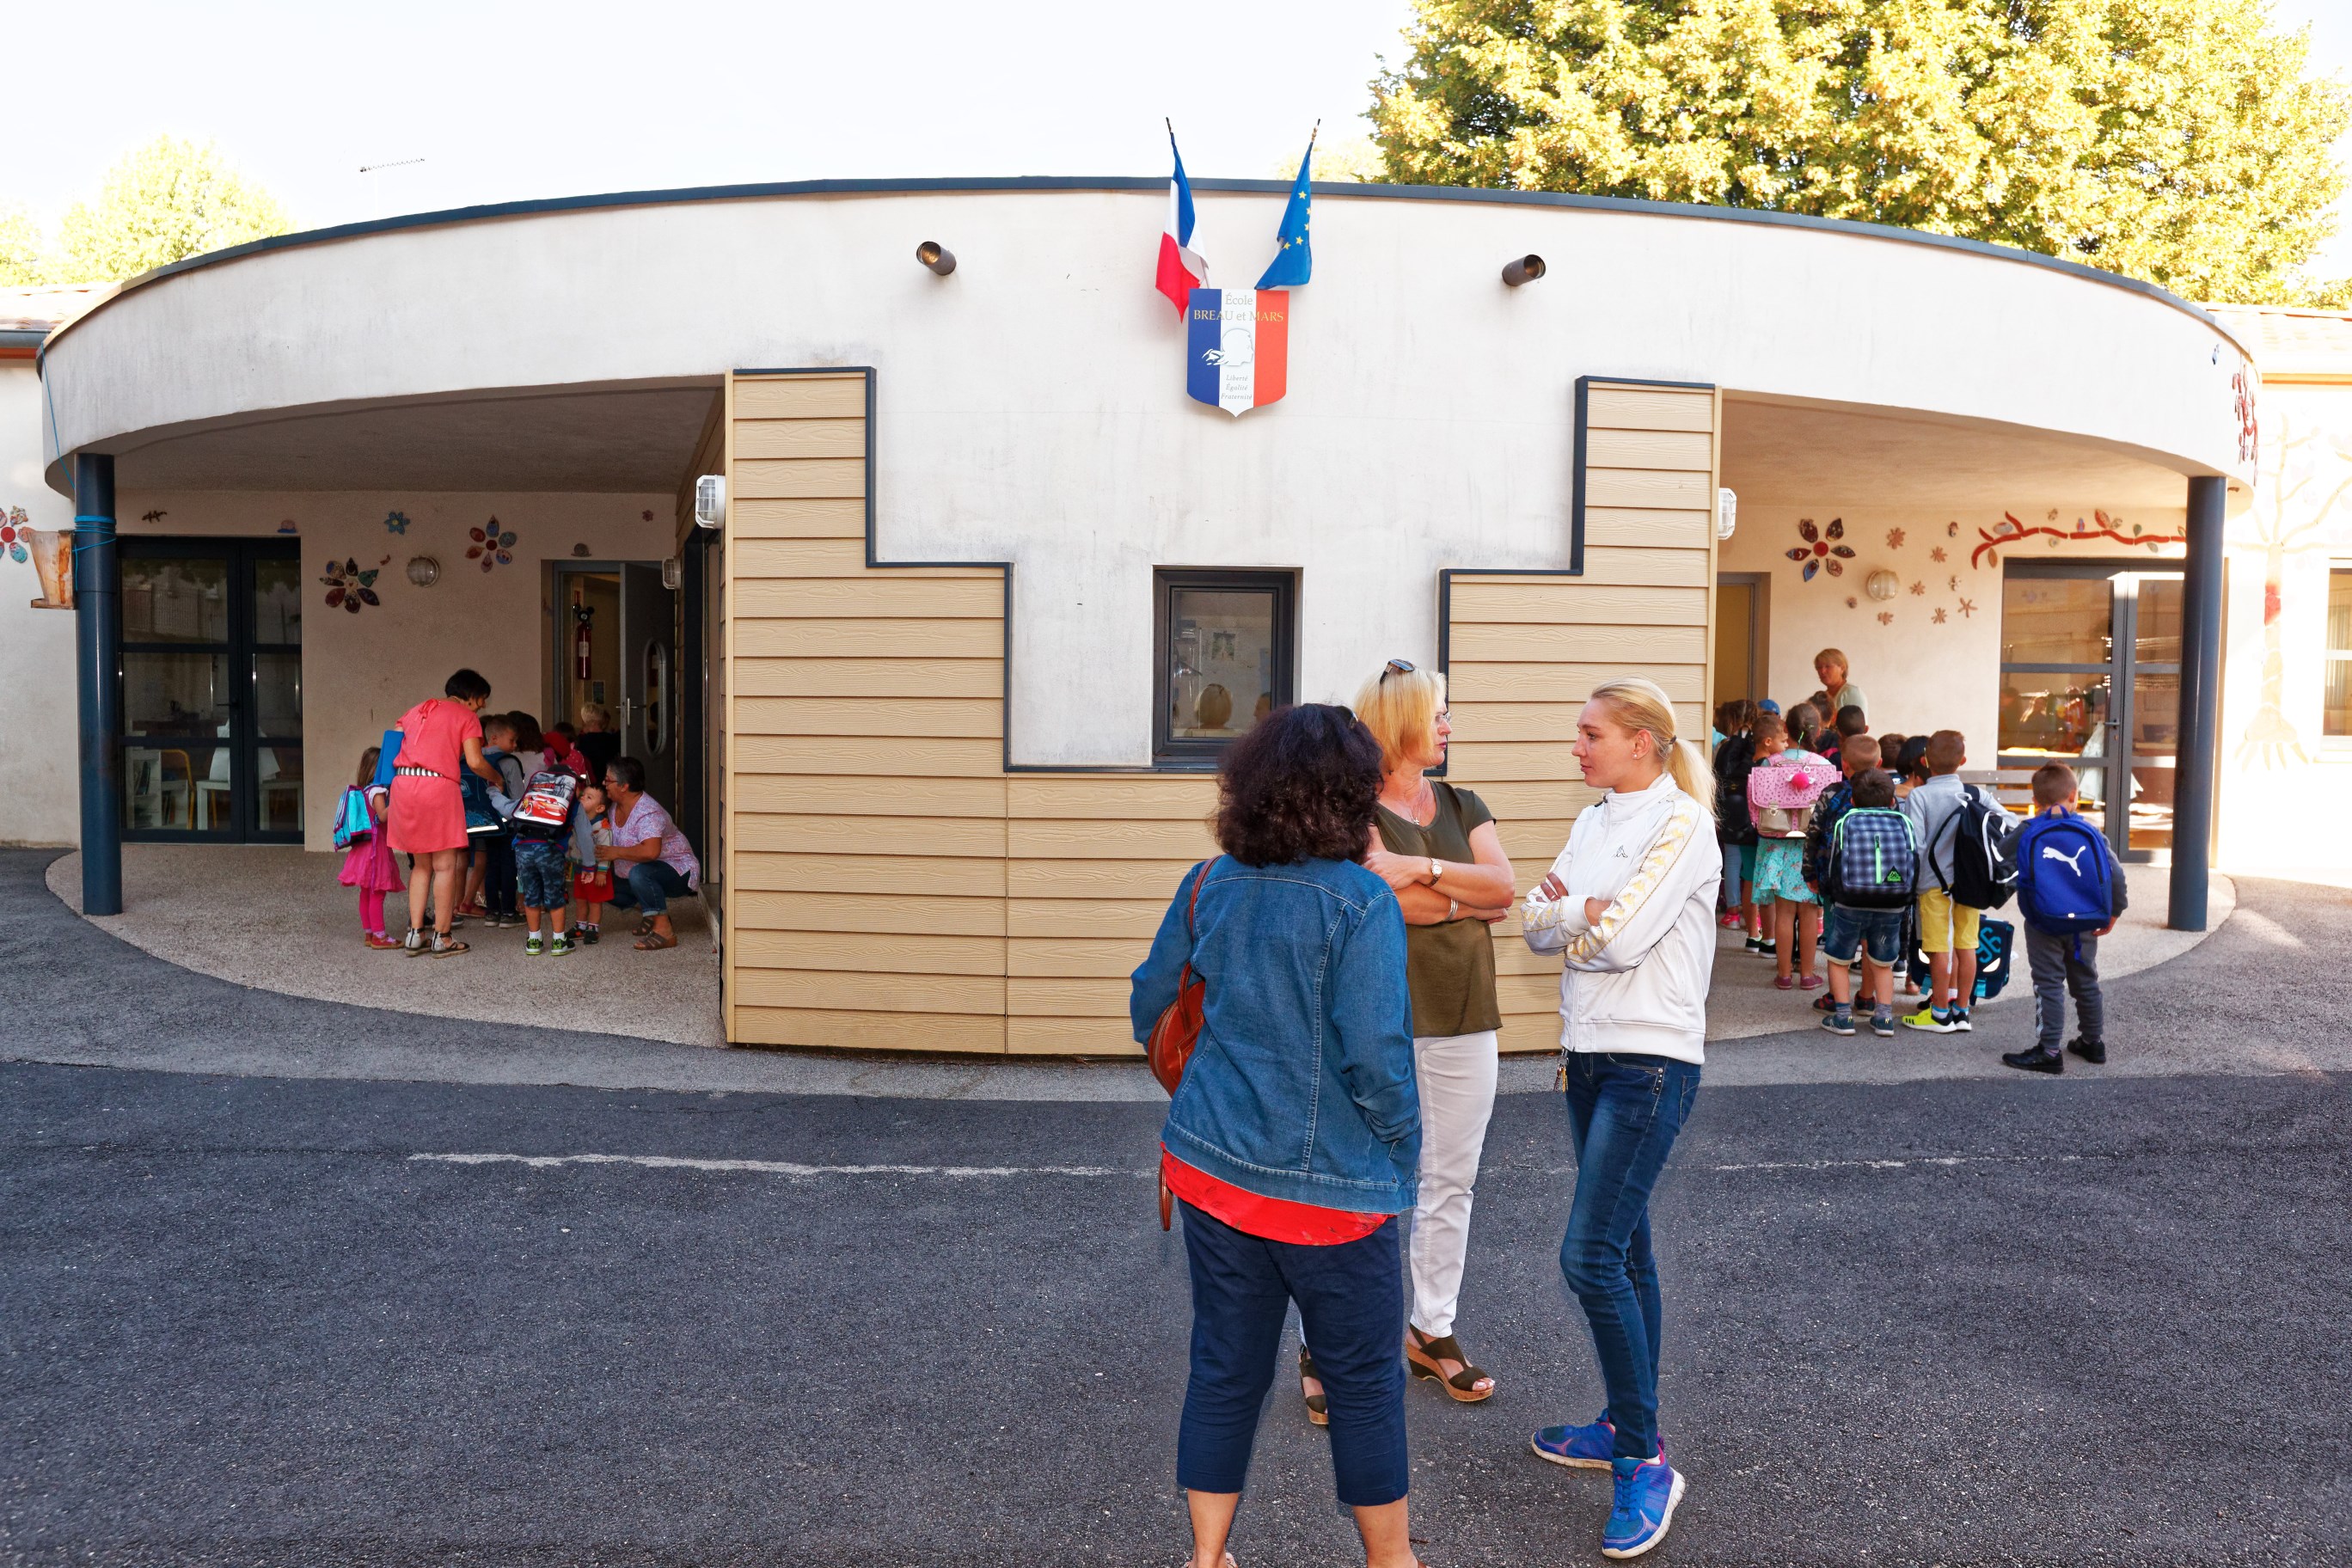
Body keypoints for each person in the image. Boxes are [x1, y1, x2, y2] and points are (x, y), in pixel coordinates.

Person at [1128, 702, 1424, 1568]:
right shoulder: (1362, 902)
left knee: (1226, 1370)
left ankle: (1208, 1555)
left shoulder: (1208, 882)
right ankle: (1392, 1562)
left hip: (1213, 1171)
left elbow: (1150, 1003)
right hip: (1334, 1193)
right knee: (1364, 1384)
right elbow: (1375, 1057)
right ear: (1352, 795)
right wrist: (1401, 1147)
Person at [1520, 676, 1715, 1562]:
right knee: (1625, 1253)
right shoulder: (1596, 819)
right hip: (1589, 1057)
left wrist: (1580, 922)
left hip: (1649, 1062)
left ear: (1642, 740)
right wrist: (1576, 914)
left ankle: (1645, 1457)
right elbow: (1534, 924)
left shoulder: (1682, 823)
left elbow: (1621, 940)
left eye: (1590, 732)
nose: (1578, 745)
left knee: (1589, 1255)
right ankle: (1623, 1422)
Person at [1344, 658, 1515, 1412]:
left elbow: (1504, 890)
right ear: (1403, 722)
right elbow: (1377, 902)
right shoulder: (1345, 808)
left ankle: (1430, 1330)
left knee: (1452, 1178)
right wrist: (1458, 896)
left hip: (1463, 1010)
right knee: (1359, 1178)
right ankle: (1333, 1341)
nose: (1448, 727)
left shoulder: (1463, 800)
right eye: (1439, 715)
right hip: (1375, 1015)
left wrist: (1418, 869)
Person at [2002, 763, 2127, 1074]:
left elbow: (2001, 855)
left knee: (2048, 983)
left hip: (2043, 921)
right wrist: (2114, 912)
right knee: (2086, 979)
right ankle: (2093, 1042)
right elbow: (2116, 875)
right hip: (2084, 921)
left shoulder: (2028, 829)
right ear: (2074, 795)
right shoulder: (2090, 832)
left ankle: (2049, 1049)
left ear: (2036, 799)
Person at [387, 669, 505, 957]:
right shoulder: (466, 717)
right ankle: (443, 936)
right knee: (445, 866)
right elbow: (476, 762)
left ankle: (415, 934)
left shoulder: (415, 710)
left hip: (404, 784)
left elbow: (392, 744)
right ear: (471, 695)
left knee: (421, 865)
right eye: (481, 699)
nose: (482, 706)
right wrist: (497, 778)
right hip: (437, 787)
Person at [1813, 768, 1916, 1038]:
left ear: (1854, 801)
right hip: (1892, 902)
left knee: (1838, 958)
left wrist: (1830, 890)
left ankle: (1843, 1017)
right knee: (1882, 961)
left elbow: (1834, 861)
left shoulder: (1847, 820)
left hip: (1850, 900)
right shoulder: (1901, 819)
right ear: (1892, 800)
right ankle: (1883, 1018)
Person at [1902, 730, 1984, 1033]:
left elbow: (1916, 845)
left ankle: (1938, 1012)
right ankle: (1962, 1011)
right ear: (1962, 760)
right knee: (1967, 945)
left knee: (1938, 948)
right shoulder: (1975, 794)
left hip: (1933, 884)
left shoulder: (1919, 796)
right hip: (1970, 884)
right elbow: (2008, 825)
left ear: (1924, 761)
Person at [1746, 714, 1830, 990]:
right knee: (1808, 911)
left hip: (1777, 842)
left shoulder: (1770, 763)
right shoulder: (1824, 766)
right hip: (1810, 845)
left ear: (1786, 729)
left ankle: (1783, 974)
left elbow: (1754, 804)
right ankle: (1807, 974)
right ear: (1817, 731)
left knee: (1783, 910)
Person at [598, 757, 702, 951]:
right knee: (602, 884)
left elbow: (651, 852)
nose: (604, 784)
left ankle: (665, 932)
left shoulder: (649, 814)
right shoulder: (615, 808)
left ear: (624, 786)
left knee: (640, 874)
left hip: (678, 869)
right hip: (644, 869)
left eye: (608, 780)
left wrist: (615, 852)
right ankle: (654, 914)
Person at [511, 762, 597, 958]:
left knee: (531, 895)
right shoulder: (573, 804)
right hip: (549, 850)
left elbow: (510, 810)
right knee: (554, 895)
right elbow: (584, 834)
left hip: (523, 849)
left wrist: (494, 793)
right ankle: (558, 941)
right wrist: (589, 865)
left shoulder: (532, 794)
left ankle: (534, 940)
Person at [337, 745, 405, 951]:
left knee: (366, 892)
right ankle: (379, 936)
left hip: (364, 848)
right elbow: (383, 816)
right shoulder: (378, 790)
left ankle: (369, 932)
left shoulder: (365, 790)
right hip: (376, 848)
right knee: (377, 892)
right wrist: (399, 799)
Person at [1712, 701, 1761, 944]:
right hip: (1752, 806)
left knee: (1731, 859)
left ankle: (1732, 912)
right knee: (1752, 865)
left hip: (1728, 805)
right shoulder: (1757, 744)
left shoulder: (1725, 745)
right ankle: (1755, 917)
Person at [479, 714, 528, 929]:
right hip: (507, 823)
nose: (515, 745)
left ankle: (492, 912)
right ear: (495, 738)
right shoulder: (508, 762)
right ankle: (508, 912)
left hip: (483, 821)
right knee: (509, 866)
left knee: (492, 865)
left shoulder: (476, 759)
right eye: (512, 740)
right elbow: (518, 796)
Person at [570, 781, 615, 944]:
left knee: (594, 900)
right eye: (583, 796)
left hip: (596, 870)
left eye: (589, 797)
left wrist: (602, 872)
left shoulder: (602, 827)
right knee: (580, 898)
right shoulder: (576, 821)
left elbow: (606, 850)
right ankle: (580, 926)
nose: (583, 799)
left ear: (600, 808)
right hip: (579, 866)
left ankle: (593, 928)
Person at [575, 701, 622, 781]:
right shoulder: (613, 739)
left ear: (585, 721)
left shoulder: (582, 742)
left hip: (590, 784)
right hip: (610, 782)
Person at [1816, 648, 1867, 720]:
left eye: (1828, 666)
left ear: (1842, 668)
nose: (1822, 671)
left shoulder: (1851, 693)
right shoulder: (1822, 697)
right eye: (1819, 667)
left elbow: (1857, 727)